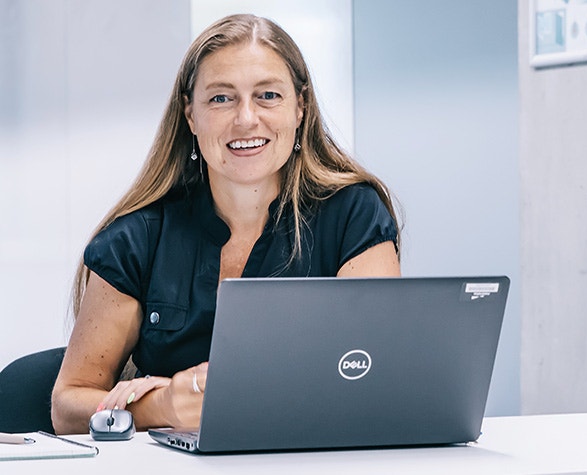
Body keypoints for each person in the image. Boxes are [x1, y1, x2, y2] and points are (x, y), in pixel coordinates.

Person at [51, 14, 400, 435]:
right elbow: (68, 404)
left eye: (268, 95)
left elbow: (371, 375)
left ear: (300, 108)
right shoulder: (135, 239)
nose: (246, 119)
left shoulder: (354, 215)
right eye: (221, 99)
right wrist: (162, 407)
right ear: (190, 115)